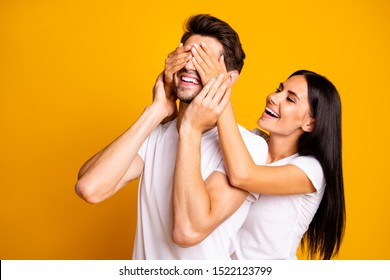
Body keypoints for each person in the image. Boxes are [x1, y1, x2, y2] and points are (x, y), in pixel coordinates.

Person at [75, 14, 268, 259]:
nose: (189, 66)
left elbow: (188, 231)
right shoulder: (157, 134)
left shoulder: (250, 147)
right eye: (185, 56)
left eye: (203, 60)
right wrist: (156, 111)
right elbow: (90, 188)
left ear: (228, 79)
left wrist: (190, 129)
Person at [175, 45, 345, 260]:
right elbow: (189, 127)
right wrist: (179, 78)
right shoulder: (250, 143)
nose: (274, 97)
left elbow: (243, 175)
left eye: (290, 99)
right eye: (279, 89)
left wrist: (220, 88)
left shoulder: (311, 171)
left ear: (310, 122)